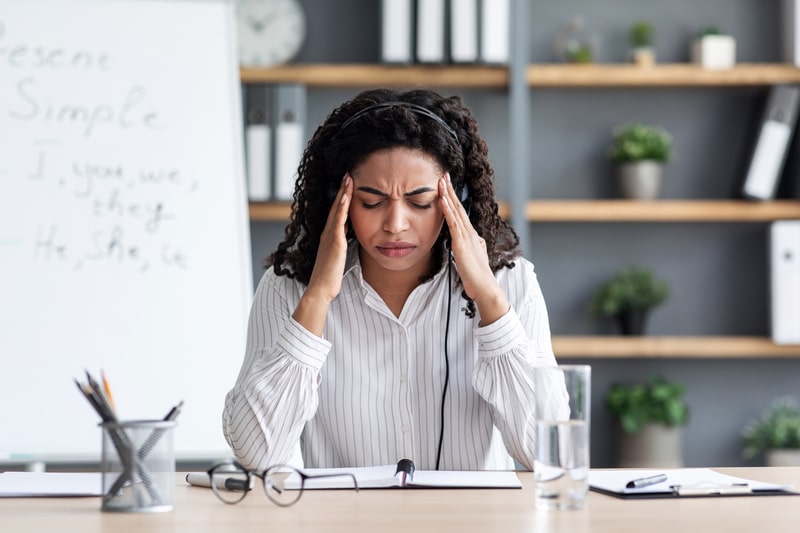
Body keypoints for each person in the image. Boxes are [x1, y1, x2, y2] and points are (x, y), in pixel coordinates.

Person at [222, 87, 564, 473]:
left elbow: (548, 451)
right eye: (372, 201)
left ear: (459, 200)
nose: (395, 225)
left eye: (420, 203)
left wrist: (489, 298)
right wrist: (317, 298)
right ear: (340, 199)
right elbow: (256, 454)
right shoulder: (288, 289)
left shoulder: (510, 283)